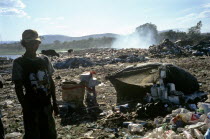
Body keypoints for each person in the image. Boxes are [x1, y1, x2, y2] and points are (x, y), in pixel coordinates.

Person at [12, 29, 58, 139]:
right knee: (33, 134)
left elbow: (50, 82)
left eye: (35, 42)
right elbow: (18, 88)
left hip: (47, 104)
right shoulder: (19, 63)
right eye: (30, 43)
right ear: (24, 44)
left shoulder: (44, 59)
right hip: (31, 106)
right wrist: (25, 106)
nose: (33, 45)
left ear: (38, 43)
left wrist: (54, 103)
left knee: (50, 134)